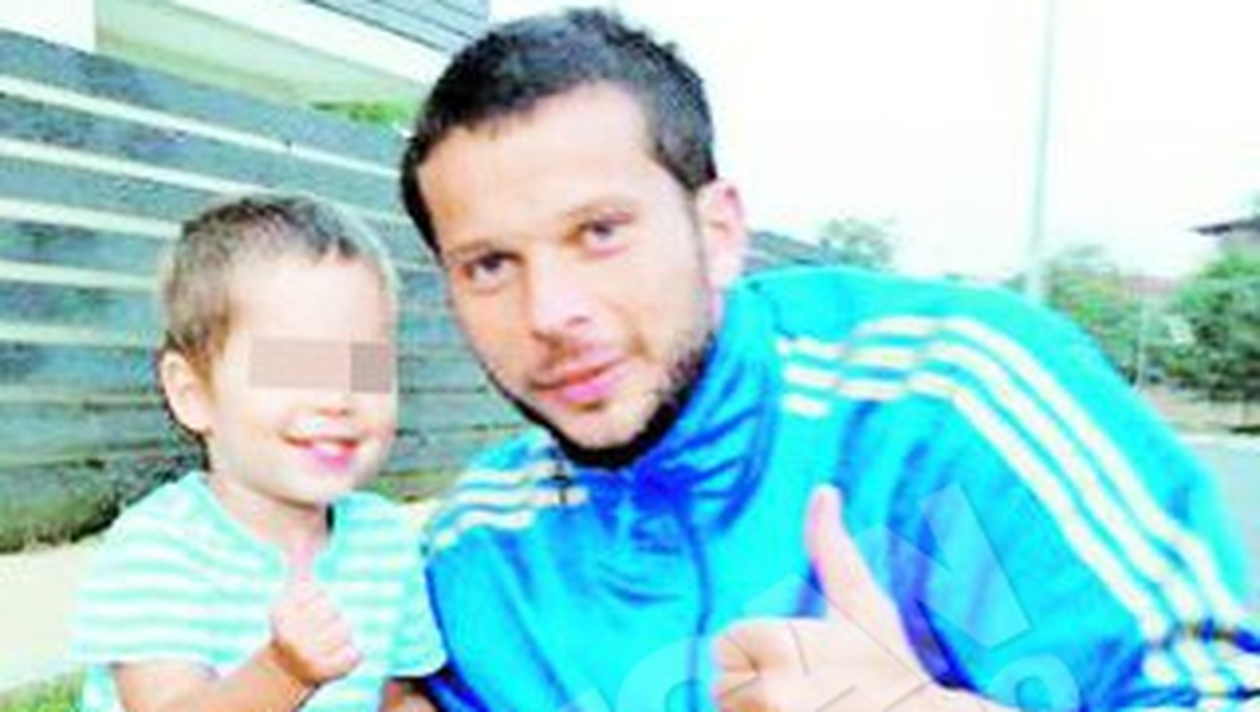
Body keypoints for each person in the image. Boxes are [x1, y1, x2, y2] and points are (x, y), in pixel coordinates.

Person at [399, 9, 1258, 710]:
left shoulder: (954, 396)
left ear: (718, 231)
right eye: (490, 265)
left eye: (599, 232)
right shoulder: (478, 554)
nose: (550, 313)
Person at [70, 195, 445, 711]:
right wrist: (283, 672)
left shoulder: (385, 542)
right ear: (192, 394)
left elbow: (395, 698)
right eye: (294, 365)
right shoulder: (159, 547)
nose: (338, 398)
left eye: (367, 366)